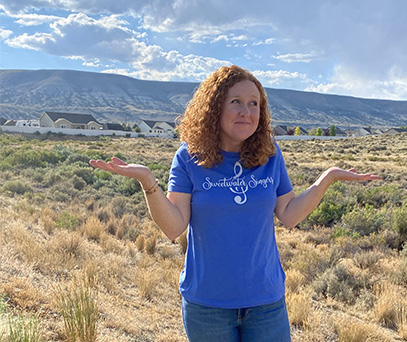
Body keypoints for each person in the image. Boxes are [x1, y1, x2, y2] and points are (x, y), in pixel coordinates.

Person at [89, 65, 381, 342]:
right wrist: (148, 183)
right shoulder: (189, 157)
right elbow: (174, 227)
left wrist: (326, 179)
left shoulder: (269, 154)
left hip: (266, 301)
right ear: (215, 108)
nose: (246, 112)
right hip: (208, 305)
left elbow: (289, 215)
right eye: (236, 102)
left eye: (254, 104)